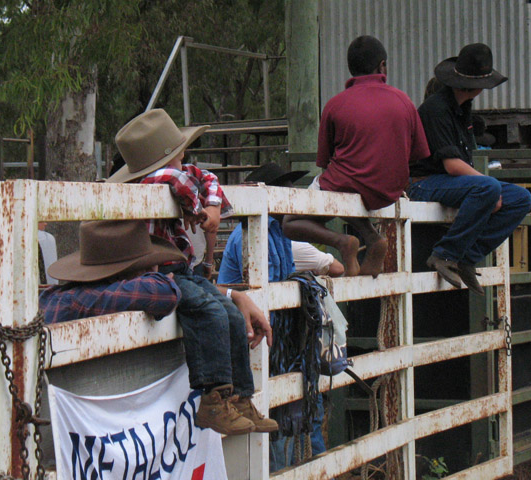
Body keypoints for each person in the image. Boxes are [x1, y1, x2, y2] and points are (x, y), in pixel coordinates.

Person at [109, 108, 277, 436]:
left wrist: (210, 208)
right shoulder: (154, 182)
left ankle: (241, 396)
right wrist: (201, 208)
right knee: (209, 310)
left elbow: (204, 178)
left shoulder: (176, 177)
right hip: (159, 272)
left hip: (178, 269)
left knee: (228, 313)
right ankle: (213, 399)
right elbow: (176, 179)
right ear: (179, 150)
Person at [216, 162, 340, 471]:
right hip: (261, 341)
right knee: (282, 423)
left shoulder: (277, 232)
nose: (290, 194)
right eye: (283, 187)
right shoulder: (254, 234)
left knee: (296, 415)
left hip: (275, 343)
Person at [283, 35, 430, 278]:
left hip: (347, 182)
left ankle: (342, 242)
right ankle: (373, 239)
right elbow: (419, 154)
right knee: (350, 188)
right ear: (382, 65)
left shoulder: (335, 104)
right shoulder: (404, 101)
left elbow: (324, 161)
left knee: (290, 222)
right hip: (387, 191)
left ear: (351, 69)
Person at [408, 43, 531, 294]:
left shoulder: (461, 107)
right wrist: (491, 189)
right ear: (477, 86)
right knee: (489, 187)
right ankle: (444, 254)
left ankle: (467, 255)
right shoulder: (436, 109)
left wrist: (490, 189)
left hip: (448, 183)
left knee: (521, 198)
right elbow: (452, 165)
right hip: (424, 182)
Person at [39, 219, 182, 324]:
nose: (154, 269)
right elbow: (166, 293)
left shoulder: (65, 296)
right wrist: (166, 281)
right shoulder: (88, 298)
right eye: (148, 266)